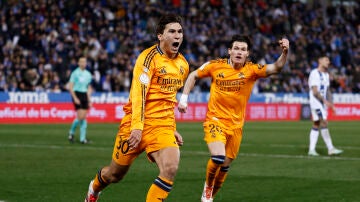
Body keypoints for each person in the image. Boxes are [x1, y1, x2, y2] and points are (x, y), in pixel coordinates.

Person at [85, 13, 189, 202]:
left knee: (170, 168)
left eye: (180, 32)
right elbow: (138, 95)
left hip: (162, 126)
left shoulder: (183, 64)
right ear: (160, 35)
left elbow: (169, 98)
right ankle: (94, 189)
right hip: (135, 123)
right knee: (115, 175)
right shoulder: (147, 59)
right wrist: (137, 127)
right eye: (172, 31)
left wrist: (172, 128)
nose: (177, 36)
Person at [178, 35, 289, 202]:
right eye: (236, 48)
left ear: (247, 54)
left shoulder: (252, 70)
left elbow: (276, 67)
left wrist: (285, 52)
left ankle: (209, 197)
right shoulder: (216, 66)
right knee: (217, 157)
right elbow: (193, 75)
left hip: (236, 126)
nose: (239, 52)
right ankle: (207, 187)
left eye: (243, 49)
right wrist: (184, 98)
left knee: (224, 168)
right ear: (229, 51)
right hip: (215, 120)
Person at [307, 56, 343, 156]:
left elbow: (328, 91)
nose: (328, 62)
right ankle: (330, 148)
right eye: (326, 60)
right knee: (324, 122)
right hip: (316, 102)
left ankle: (311, 150)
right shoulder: (314, 73)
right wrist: (324, 101)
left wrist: (331, 104)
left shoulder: (326, 75)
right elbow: (314, 91)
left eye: (329, 60)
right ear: (320, 61)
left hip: (322, 103)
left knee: (316, 124)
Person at [68, 57, 93, 144]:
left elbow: (89, 87)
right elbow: (70, 87)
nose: (83, 63)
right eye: (81, 62)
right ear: (78, 63)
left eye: (85, 62)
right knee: (81, 117)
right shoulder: (75, 73)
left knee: (82, 118)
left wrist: (89, 100)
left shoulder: (88, 74)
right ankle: (72, 133)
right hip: (77, 93)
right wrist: (75, 98)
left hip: (84, 94)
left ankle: (81, 138)